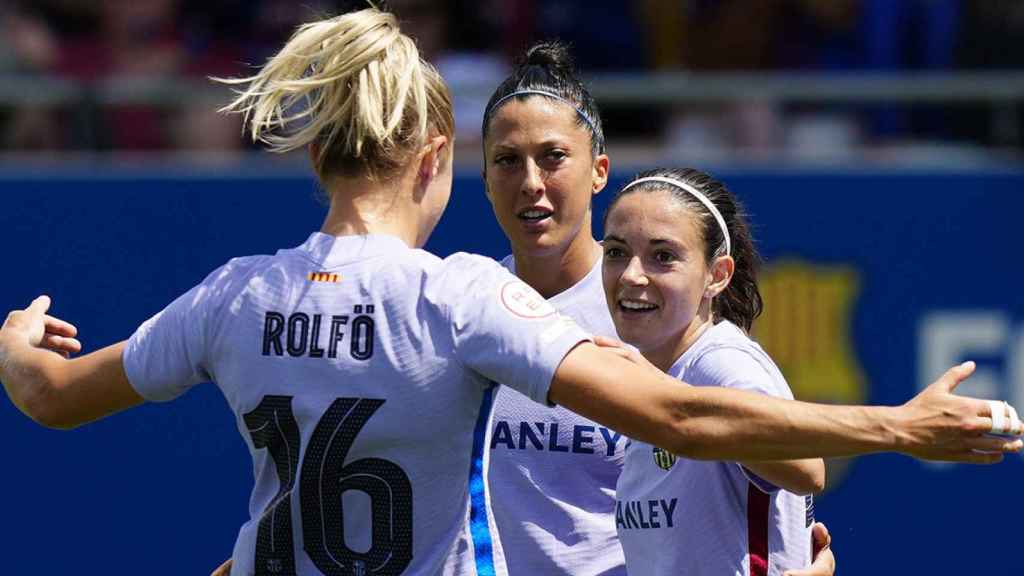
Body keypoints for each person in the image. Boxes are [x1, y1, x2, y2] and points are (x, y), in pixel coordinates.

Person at [0, 8, 1020, 576]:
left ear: (317, 150)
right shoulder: (456, 298)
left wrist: (14, 341)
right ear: (437, 158)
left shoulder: (231, 297)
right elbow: (680, 415)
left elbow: (50, 396)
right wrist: (899, 425)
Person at [480, 41, 835, 576]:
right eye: (507, 160)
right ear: (483, 175)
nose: (531, 182)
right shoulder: (466, 305)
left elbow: (793, 474)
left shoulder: (656, 324)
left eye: (553, 157)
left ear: (599, 170)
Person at [602, 168, 820, 574]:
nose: (631, 274)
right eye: (616, 252)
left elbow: (807, 470)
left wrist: (682, 416)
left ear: (716, 276)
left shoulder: (722, 363)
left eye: (663, 256)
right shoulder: (654, 371)